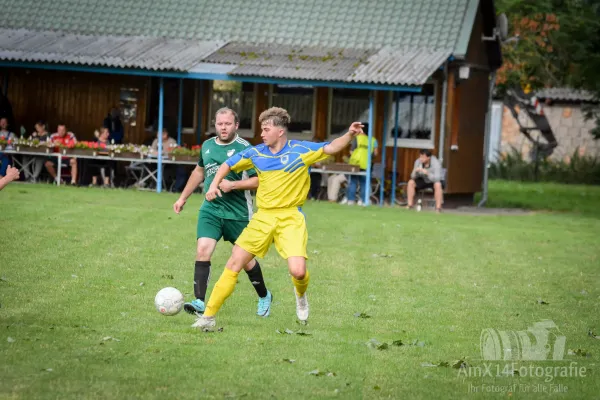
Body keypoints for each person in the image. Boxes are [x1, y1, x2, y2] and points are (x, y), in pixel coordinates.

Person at [192, 106, 363, 331]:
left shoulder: (300, 150)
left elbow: (331, 147)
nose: (261, 134)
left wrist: (350, 134)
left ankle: (300, 296)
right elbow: (227, 164)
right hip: (263, 217)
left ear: (280, 131)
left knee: (298, 271)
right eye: (261, 129)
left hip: (290, 217)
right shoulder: (256, 153)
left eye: (266, 129)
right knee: (234, 262)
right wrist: (214, 185)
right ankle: (208, 316)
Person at [173, 107, 273, 317]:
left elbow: (259, 180)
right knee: (203, 249)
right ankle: (199, 301)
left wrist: (233, 185)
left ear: (236, 125)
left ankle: (264, 295)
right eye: (220, 124)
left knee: (245, 261)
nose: (223, 128)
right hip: (211, 209)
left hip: (238, 213)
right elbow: (199, 171)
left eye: (227, 124)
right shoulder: (207, 146)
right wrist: (183, 198)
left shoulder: (246, 149)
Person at [346, 126, 378, 205]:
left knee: (353, 182)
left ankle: (351, 200)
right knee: (364, 183)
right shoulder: (373, 140)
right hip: (366, 164)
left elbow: (351, 151)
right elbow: (376, 153)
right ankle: (363, 201)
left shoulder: (357, 138)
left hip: (355, 164)